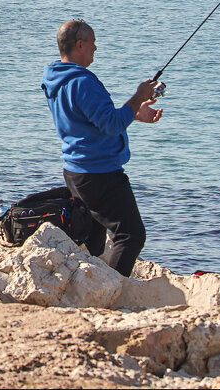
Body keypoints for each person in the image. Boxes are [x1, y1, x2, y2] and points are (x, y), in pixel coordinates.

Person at [41, 19, 163, 277]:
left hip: (75, 170)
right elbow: (110, 124)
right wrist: (138, 97)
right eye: (93, 43)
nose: (96, 48)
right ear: (80, 44)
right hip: (99, 173)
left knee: (94, 241)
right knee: (131, 235)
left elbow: (90, 122)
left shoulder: (57, 77)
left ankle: (89, 283)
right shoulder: (82, 82)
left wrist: (135, 114)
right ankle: (110, 292)